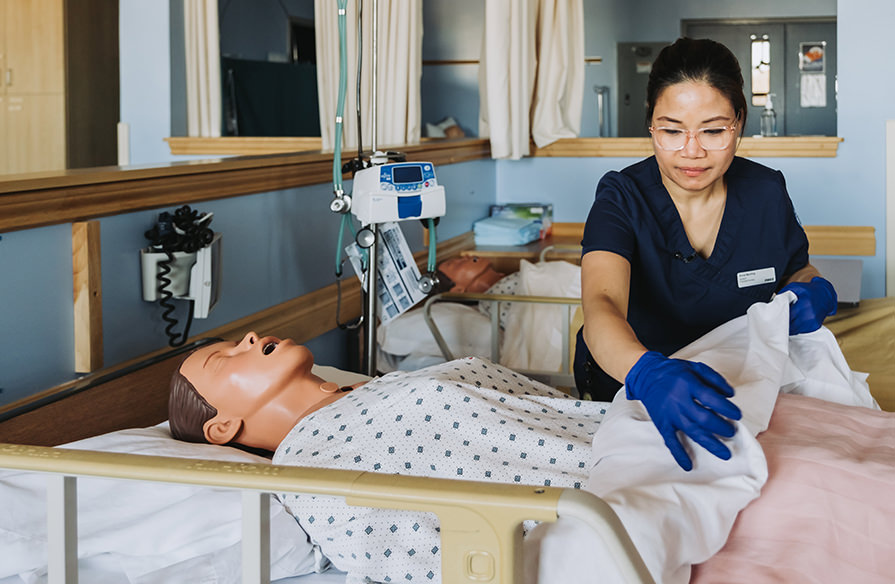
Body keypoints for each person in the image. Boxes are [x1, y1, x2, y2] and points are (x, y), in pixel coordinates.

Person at [572, 37, 838, 471]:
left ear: (739, 123)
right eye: (672, 130)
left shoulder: (766, 193)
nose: (691, 151)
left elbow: (797, 269)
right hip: (634, 388)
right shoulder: (622, 197)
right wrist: (645, 374)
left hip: (736, 387)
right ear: (650, 126)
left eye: (713, 130)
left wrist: (811, 289)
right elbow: (602, 306)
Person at [169, 331, 606, 582]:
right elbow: (412, 557)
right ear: (223, 428)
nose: (247, 337)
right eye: (225, 360)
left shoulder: (382, 384)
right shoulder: (316, 469)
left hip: (628, 435)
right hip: (607, 510)